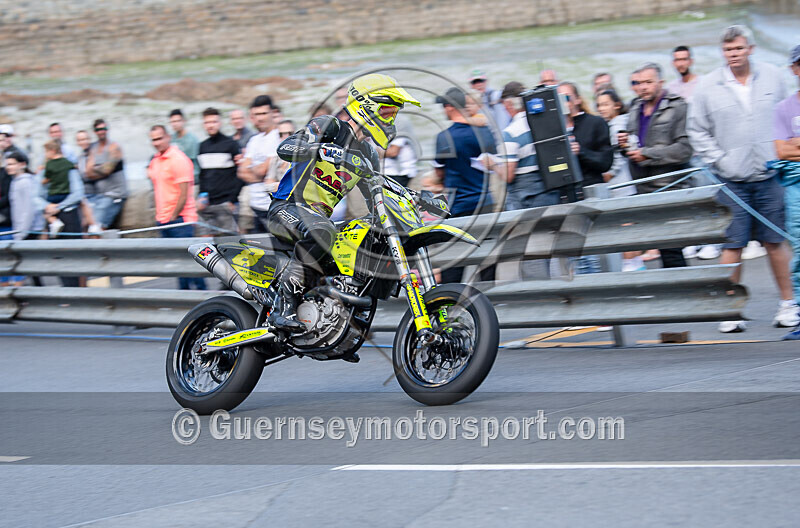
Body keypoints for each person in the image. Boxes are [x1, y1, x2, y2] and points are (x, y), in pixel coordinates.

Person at [266, 73, 420, 332]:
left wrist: (418, 198)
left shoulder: (368, 154)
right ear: (367, 106)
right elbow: (286, 148)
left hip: (318, 219)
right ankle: (284, 306)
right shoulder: (331, 127)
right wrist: (319, 149)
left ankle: (338, 317)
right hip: (287, 208)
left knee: (367, 237)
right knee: (322, 231)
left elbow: (377, 198)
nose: (390, 120)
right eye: (387, 112)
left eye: (393, 114)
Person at [688, 25, 797, 332]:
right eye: (727, 50)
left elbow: (786, 116)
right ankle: (729, 310)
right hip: (731, 180)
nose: (733, 54)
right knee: (732, 245)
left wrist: (782, 152)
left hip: (769, 175)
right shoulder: (708, 85)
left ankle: (789, 304)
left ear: (750, 48)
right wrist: (719, 160)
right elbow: (697, 131)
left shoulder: (773, 76)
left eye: (738, 48)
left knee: (775, 242)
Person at [618, 63, 693, 270]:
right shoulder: (635, 107)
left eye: (648, 82)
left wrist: (647, 154)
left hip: (669, 186)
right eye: (639, 83)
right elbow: (634, 145)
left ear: (661, 82)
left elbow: (685, 149)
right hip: (642, 187)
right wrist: (624, 145)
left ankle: (684, 286)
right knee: (661, 247)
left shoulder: (677, 106)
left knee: (671, 249)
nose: (643, 87)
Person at [432, 86, 497, 283]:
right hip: (486, 203)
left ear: (450, 107)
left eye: (444, 106)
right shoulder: (484, 132)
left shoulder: (444, 137)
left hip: (459, 205)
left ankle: (450, 297)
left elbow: (439, 173)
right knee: (487, 260)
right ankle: (487, 295)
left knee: (453, 262)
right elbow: (493, 163)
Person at [147, 125, 206, 291]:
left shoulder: (178, 159)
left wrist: (173, 217)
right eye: (153, 140)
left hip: (180, 220)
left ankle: (203, 296)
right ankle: (184, 298)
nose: (156, 143)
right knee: (179, 267)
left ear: (168, 137)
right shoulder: (155, 160)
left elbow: (183, 193)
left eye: (159, 138)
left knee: (190, 266)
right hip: (163, 219)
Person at [772, 44, 800, 339]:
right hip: (795, 188)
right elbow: (781, 151)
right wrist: (791, 147)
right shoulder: (783, 108)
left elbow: (791, 147)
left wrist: (796, 143)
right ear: (794, 69)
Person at [36, 140, 84, 287]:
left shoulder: (48, 168)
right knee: (62, 255)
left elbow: (77, 193)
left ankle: (74, 290)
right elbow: (78, 193)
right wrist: (55, 206)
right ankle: (70, 290)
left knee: (70, 255)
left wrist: (51, 207)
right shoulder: (68, 166)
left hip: (62, 214)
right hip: (62, 211)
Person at [556, 82, 613, 188]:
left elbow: (605, 162)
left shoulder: (595, 123)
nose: (562, 102)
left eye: (566, 98)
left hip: (591, 185)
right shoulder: (554, 128)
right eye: (558, 99)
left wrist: (581, 152)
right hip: (564, 188)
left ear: (578, 100)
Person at [197, 107, 243, 235]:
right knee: (205, 242)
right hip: (207, 204)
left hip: (226, 203)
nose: (210, 125)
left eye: (214, 121)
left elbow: (240, 174)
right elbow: (203, 175)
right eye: (207, 122)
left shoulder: (231, 144)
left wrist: (232, 200)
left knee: (231, 242)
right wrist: (201, 196)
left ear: (220, 123)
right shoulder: (202, 146)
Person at [238, 95, 280, 234]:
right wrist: (260, 171)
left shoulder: (278, 137)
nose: (260, 118)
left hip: (272, 207)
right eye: (256, 114)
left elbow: (264, 170)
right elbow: (241, 172)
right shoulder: (254, 140)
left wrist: (254, 169)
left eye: (263, 113)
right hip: (254, 206)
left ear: (273, 113)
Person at [85, 119, 128, 230]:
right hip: (99, 195)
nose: (101, 131)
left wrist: (95, 168)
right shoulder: (93, 148)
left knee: (96, 227)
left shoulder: (114, 147)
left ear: (107, 129)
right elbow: (88, 173)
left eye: (104, 129)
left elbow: (107, 170)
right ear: (95, 131)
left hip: (115, 195)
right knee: (85, 222)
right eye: (99, 129)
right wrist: (101, 170)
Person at [381, 114, 419, 189]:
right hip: (386, 172)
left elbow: (393, 152)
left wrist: (371, 152)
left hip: (399, 173)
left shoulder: (399, 121)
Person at [168, 109, 200, 181]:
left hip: (191, 177)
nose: (175, 124)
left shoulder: (192, 139)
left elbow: (190, 162)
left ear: (184, 121)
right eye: (173, 122)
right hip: (175, 176)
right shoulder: (171, 138)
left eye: (178, 121)